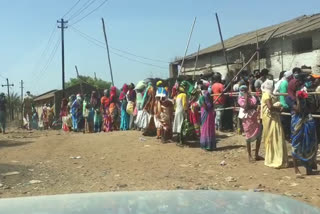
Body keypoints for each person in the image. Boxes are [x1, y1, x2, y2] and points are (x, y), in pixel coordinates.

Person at [286, 73, 318, 177]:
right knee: (296, 144)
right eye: (296, 85)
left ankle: (308, 167)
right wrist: (298, 99)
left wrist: (307, 97)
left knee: (310, 143)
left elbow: (311, 108)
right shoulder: (289, 99)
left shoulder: (304, 94)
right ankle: (296, 169)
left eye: (299, 85)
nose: (298, 86)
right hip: (297, 122)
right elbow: (298, 109)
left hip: (307, 120)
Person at [261, 79, 288, 168]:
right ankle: (273, 158)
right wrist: (278, 108)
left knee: (275, 135)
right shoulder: (266, 94)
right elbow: (270, 107)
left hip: (273, 117)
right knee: (273, 136)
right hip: (270, 118)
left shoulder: (269, 94)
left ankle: (274, 157)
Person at [238, 85, 263, 162]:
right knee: (248, 137)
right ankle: (249, 156)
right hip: (247, 120)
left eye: (244, 91)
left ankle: (256, 154)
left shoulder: (252, 97)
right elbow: (245, 106)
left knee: (258, 135)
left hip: (254, 118)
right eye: (241, 91)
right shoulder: (240, 99)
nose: (242, 92)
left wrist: (249, 101)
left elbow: (254, 104)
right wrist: (246, 99)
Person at [199, 85, 216, 151]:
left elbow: (208, 106)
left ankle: (209, 145)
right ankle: (207, 145)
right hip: (206, 114)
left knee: (208, 128)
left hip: (209, 115)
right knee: (206, 128)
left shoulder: (207, 98)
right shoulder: (203, 98)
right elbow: (205, 106)